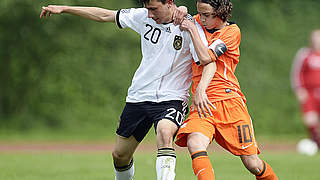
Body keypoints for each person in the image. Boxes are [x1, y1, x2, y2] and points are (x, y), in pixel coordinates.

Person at [40, 0, 214, 180]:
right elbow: (105, 15)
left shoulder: (190, 26)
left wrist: (201, 89)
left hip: (172, 98)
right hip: (139, 96)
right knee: (120, 156)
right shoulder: (143, 17)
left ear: (169, 3)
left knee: (164, 132)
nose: (150, 14)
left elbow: (208, 61)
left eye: (154, 9)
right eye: (147, 9)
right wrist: (65, 8)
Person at [174, 0, 279, 179]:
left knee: (252, 163)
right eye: (200, 13)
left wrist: (191, 29)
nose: (202, 19)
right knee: (195, 143)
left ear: (221, 13)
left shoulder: (232, 32)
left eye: (207, 15)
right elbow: (176, 14)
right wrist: (182, 10)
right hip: (203, 102)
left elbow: (207, 57)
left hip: (229, 103)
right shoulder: (198, 21)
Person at [291, 29, 320, 148]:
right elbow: (297, 72)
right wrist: (299, 89)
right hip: (310, 93)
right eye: (315, 38)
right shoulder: (305, 54)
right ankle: (316, 143)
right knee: (310, 119)